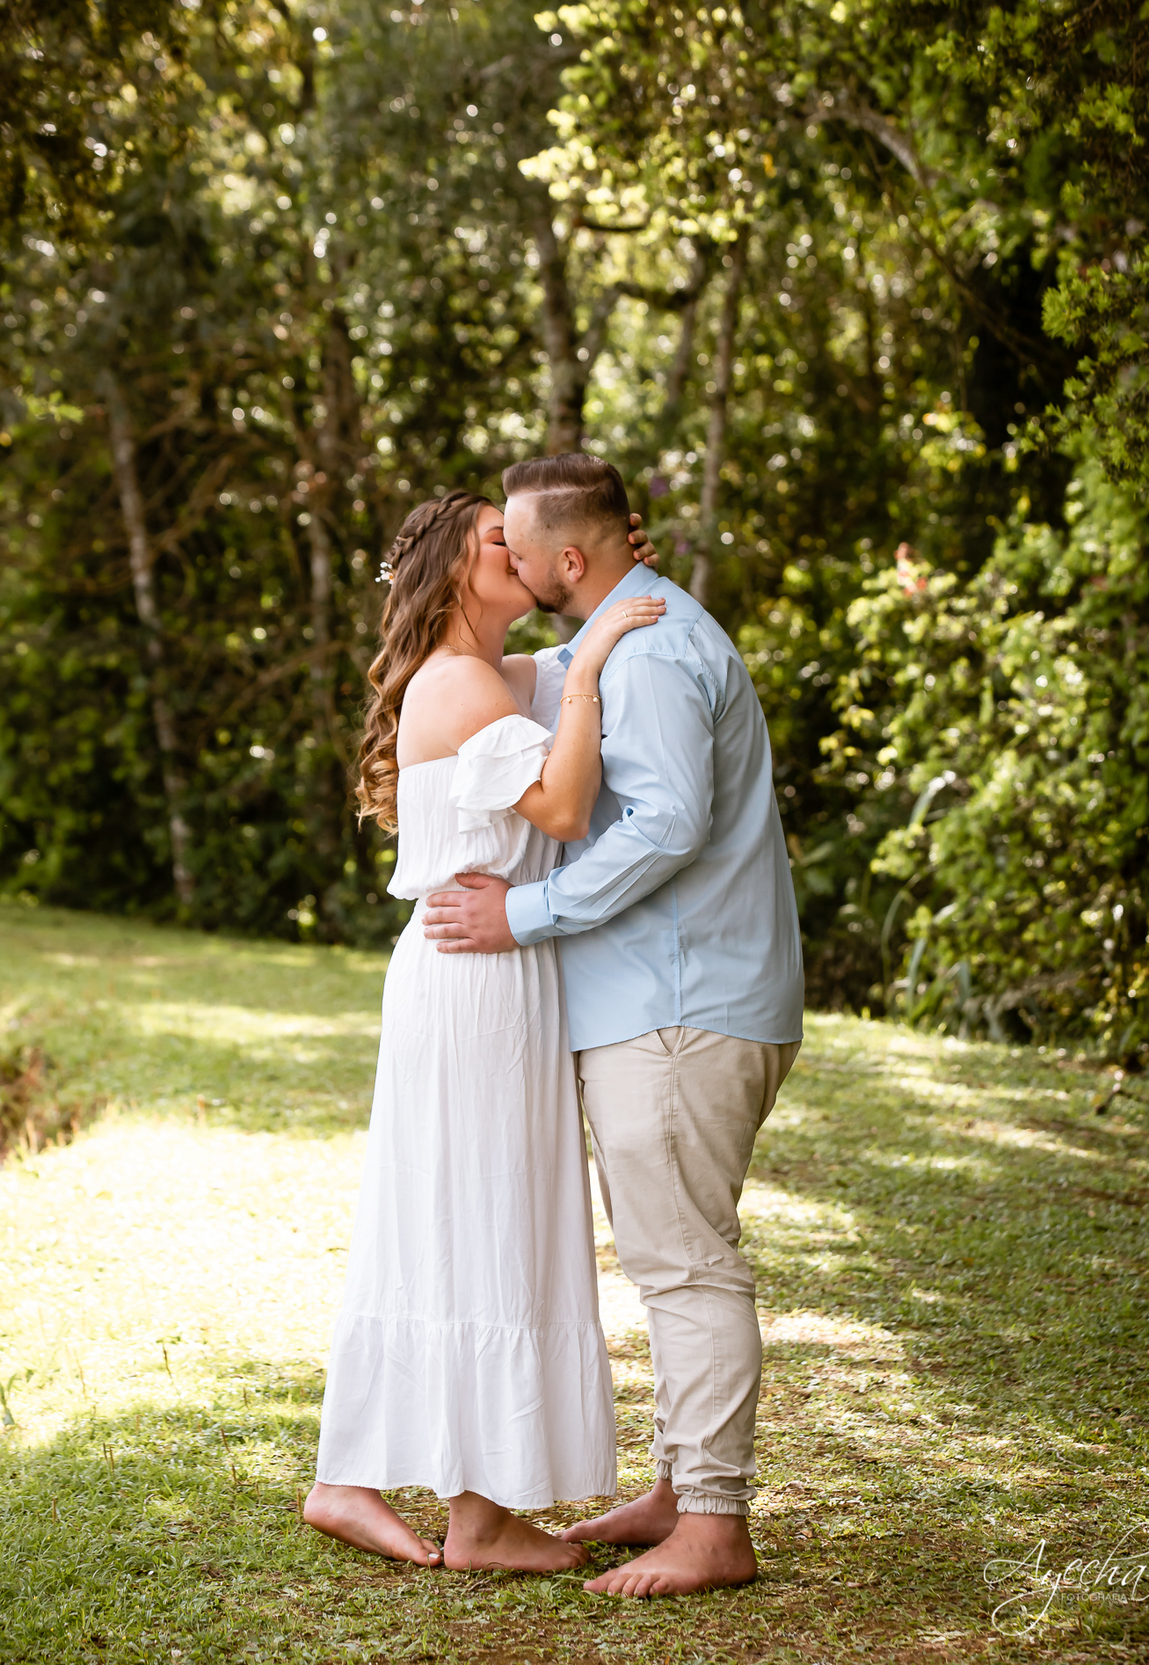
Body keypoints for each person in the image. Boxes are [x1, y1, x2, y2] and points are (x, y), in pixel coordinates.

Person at [422, 453, 806, 1598]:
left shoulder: (648, 652)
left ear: (568, 561)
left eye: (520, 547)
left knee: (687, 1267)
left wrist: (524, 912)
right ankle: (683, 1490)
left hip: (681, 1008)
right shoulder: (627, 639)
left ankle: (717, 1527)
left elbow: (664, 828)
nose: (512, 558)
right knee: (669, 1257)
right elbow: (513, 676)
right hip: (671, 1002)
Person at [304, 488, 664, 1573]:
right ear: (458, 575)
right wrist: (594, 668)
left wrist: (609, 567)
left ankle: (378, 1486)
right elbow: (558, 807)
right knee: (480, 1219)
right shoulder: (459, 684)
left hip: (492, 972)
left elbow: (569, 648)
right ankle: (469, 1513)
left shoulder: (496, 675)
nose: (514, 549)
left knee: (463, 1218)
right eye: (492, 541)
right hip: (473, 982)